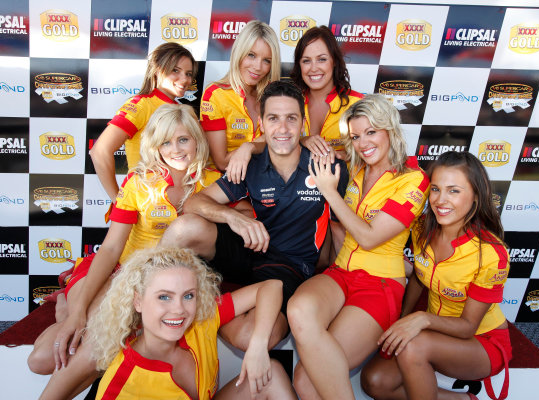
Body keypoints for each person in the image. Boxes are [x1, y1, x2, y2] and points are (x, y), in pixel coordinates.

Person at [28, 104, 209, 400]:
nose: (175, 149)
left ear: (197, 140)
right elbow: (111, 248)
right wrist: (78, 314)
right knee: (41, 362)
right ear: (155, 145)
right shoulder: (138, 182)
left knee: (79, 356)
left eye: (183, 139)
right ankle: (68, 307)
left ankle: (64, 308)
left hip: (161, 285)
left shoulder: (211, 181)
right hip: (121, 273)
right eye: (165, 141)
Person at [161, 80, 349, 351]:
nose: (282, 129)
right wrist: (234, 218)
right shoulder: (250, 164)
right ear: (262, 122)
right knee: (185, 229)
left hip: (290, 267)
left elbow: (339, 230)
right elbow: (193, 202)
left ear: (302, 123)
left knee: (250, 336)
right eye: (273, 118)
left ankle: (197, 308)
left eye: (291, 119)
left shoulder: (326, 166)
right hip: (249, 249)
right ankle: (153, 306)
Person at [286, 94, 430, 400]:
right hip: (341, 273)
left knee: (306, 379)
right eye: (355, 136)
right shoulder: (359, 170)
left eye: (371, 132)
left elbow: (368, 237)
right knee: (298, 308)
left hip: (379, 285)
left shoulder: (414, 179)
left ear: (390, 129)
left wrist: (329, 191)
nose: (363, 142)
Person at [360, 151, 512, 400]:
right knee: (375, 381)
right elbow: (420, 277)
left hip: (481, 341)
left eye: (454, 191)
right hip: (434, 333)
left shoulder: (492, 254)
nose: (441, 200)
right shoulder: (421, 229)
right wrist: (404, 317)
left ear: (476, 195)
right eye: (435, 189)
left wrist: (421, 320)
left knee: (413, 347)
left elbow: (467, 327)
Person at [88, 247, 295, 400]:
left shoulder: (201, 321)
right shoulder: (120, 385)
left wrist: (258, 345)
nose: (179, 309)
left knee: (272, 374)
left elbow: (272, 287)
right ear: (138, 301)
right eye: (164, 297)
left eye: (188, 296)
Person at [90, 42, 197, 203]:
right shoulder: (141, 105)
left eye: (188, 74)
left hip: (177, 202)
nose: (185, 79)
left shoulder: (183, 111)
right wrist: (118, 201)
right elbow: (99, 151)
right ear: (157, 70)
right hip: (146, 206)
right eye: (175, 70)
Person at [200, 20, 281, 184]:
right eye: (251, 55)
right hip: (226, 182)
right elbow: (222, 162)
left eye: (267, 60)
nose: (258, 67)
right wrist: (263, 141)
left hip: (268, 180)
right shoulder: (215, 95)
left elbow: (285, 141)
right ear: (238, 52)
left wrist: (248, 147)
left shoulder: (275, 95)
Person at [290, 25, 363, 161]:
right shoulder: (290, 102)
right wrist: (303, 140)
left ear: (334, 61)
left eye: (321, 59)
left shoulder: (358, 103)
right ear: (299, 65)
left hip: (345, 181)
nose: (313, 68)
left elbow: (378, 152)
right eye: (306, 61)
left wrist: (342, 156)